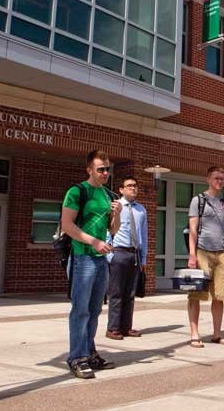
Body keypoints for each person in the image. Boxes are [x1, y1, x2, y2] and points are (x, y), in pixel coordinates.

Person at [61, 150, 121, 379]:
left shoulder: (107, 194)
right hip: (82, 257)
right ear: (89, 170)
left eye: (107, 169)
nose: (105, 173)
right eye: (100, 169)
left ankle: (89, 352)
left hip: (100, 259)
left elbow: (112, 229)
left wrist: (117, 214)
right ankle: (76, 357)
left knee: (94, 310)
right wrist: (93, 241)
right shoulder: (77, 191)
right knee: (80, 310)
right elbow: (67, 225)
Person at [187, 166, 224, 347]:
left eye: (222, 178)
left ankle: (217, 334)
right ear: (208, 179)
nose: (219, 181)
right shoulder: (198, 200)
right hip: (202, 252)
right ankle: (194, 334)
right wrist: (192, 255)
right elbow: (192, 229)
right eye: (216, 178)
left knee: (220, 295)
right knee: (196, 294)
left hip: (222, 253)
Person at [105, 176, 147, 340]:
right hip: (119, 252)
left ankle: (126, 327)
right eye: (129, 185)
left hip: (134, 253)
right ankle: (113, 328)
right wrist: (110, 255)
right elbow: (107, 231)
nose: (133, 188)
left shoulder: (141, 210)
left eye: (135, 185)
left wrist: (143, 258)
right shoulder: (115, 207)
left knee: (130, 293)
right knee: (117, 293)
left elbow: (144, 235)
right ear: (121, 190)